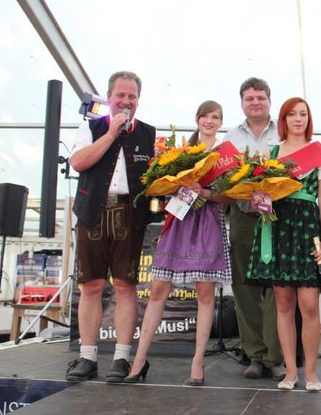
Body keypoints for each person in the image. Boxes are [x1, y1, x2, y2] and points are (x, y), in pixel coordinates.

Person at [124, 101, 232, 385]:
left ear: (221, 122)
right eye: (206, 116)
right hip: (179, 219)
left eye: (215, 117)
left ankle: (198, 363)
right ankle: (138, 360)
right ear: (197, 119)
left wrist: (205, 192)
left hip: (208, 222)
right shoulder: (179, 152)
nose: (210, 121)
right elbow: (161, 186)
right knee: (158, 289)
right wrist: (175, 184)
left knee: (205, 294)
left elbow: (232, 196)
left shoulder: (225, 156)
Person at [66, 71, 156, 382]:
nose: (126, 101)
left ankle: (121, 357)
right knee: (91, 285)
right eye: (121, 95)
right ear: (109, 98)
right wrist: (111, 134)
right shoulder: (90, 127)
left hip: (129, 215)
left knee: (125, 286)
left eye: (132, 96)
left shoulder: (149, 134)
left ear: (138, 100)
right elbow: (78, 163)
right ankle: (87, 356)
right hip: (93, 211)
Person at [246, 97, 321, 392]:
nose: (298, 119)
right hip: (277, 228)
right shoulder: (270, 154)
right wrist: (257, 200)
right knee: (283, 303)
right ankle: (289, 372)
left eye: (303, 114)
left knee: (309, 305)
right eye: (292, 115)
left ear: (309, 120)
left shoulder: (319, 155)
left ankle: (310, 371)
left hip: (307, 227)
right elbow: (261, 195)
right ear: (283, 120)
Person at [222, 77, 285, 380]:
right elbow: (222, 179)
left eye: (261, 97)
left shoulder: (283, 133)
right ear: (242, 102)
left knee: (278, 287)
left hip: (279, 218)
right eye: (250, 98)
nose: (256, 102)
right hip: (243, 217)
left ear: (269, 101)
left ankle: (276, 354)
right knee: (245, 287)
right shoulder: (231, 137)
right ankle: (256, 355)